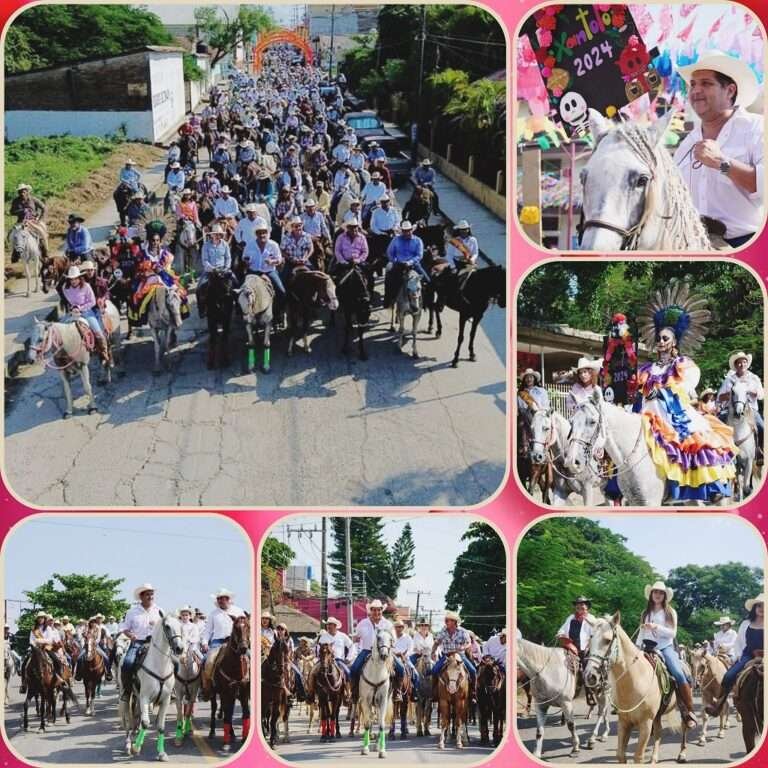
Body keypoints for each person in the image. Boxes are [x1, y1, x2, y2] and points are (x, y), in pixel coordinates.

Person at [636, 282, 737, 502]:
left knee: (692, 440)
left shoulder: (683, 365)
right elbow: (641, 393)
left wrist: (661, 393)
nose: (661, 342)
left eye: (665, 339)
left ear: (674, 342)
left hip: (673, 413)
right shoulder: (647, 369)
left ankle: (705, 487)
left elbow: (684, 389)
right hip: (648, 413)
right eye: (659, 339)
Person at [675, 51, 763, 248]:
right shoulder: (687, 143)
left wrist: (722, 164)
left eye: (706, 83)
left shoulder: (756, 128)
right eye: (693, 84)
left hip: (746, 244)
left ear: (730, 91)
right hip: (694, 244)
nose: (696, 90)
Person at [636, 580, 697, 728]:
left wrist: (656, 626)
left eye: (660, 593)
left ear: (664, 596)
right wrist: (637, 647)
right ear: (651, 594)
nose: (657, 595)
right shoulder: (645, 612)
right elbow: (641, 632)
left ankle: (688, 710)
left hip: (665, 647)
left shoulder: (670, 612)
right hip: (646, 647)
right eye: (655, 592)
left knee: (678, 673)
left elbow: (672, 633)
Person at [706, 593, 763, 715]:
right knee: (728, 676)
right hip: (748, 655)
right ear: (754, 608)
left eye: (764, 605)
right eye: (759, 605)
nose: (761, 608)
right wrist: (740, 658)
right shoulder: (746, 623)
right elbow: (739, 643)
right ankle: (719, 704)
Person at [116, 583, 164, 701]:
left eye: (152, 594)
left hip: (156, 644)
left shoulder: (159, 611)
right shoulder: (132, 612)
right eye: (148, 594)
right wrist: (130, 635)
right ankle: (126, 692)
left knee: (173, 663)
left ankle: (170, 691)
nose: (150, 596)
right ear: (141, 596)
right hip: (138, 643)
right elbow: (124, 628)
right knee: (127, 663)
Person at [349, 600, 404, 700]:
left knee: (400, 668)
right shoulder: (363, 623)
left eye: (379, 610)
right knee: (353, 669)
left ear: (381, 611)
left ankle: (397, 692)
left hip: (385, 652)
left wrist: (389, 646)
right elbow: (356, 637)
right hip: (367, 651)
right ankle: (354, 693)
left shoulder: (388, 624)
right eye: (374, 610)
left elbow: (394, 639)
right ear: (370, 611)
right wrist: (354, 638)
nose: (376, 612)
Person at [200, 588, 246, 701]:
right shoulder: (213, 614)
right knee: (208, 661)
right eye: (219, 598)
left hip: (235, 643)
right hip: (217, 642)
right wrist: (205, 643)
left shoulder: (238, 611)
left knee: (249, 658)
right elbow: (207, 631)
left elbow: (245, 627)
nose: (222, 600)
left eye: (224, 598)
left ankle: (246, 685)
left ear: (229, 599)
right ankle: (207, 688)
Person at [61, 265, 110, 364]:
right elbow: (69, 301)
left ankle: (104, 352)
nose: (73, 281)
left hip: (87, 311)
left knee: (98, 332)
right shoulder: (65, 288)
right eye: (71, 279)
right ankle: (64, 354)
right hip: (73, 312)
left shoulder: (86, 286)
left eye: (75, 279)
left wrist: (80, 308)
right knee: (60, 328)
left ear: (79, 278)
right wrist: (73, 308)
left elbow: (92, 302)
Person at [717, 351, 764, 450]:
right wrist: (729, 395)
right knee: (717, 426)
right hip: (730, 409)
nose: (742, 364)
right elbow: (719, 398)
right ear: (735, 365)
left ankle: (760, 451)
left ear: (747, 364)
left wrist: (750, 391)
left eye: (744, 362)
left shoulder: (754, 378)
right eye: (739, 362)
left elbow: (761, 395)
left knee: (762, 427)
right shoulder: (729, 380)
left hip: (750, 410)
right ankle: (719, 451)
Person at [305, 616, 353, 703]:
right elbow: (318, 649)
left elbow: (351, 646)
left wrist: (349, 658)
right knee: (312, 672)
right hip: (324, 660)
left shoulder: (342, 636)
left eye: (330, 624)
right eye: (327, 624)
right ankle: (310, 693)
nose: (328, 626)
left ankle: (347, 694)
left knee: (347, 672)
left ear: (335, 625)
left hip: (338, 660)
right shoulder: (323, 636)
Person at [431, 611, 476, 700]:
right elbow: (436, 642)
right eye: (446, 620)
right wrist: (433, 651)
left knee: (473, 670)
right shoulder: (443, 631)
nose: (446, 622)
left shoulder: (462, 631)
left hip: (460, 655)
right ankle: (434, 692)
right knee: (434, 670)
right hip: (446, 656)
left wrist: (463, 647)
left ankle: (473, 692)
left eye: (448, 620)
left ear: (454, 622)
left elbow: (469, 642)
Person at [383, 221, 428, 308]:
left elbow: (419, 255)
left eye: (408, 230)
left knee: (427, 281)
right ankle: (388, 300)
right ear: (402, 231)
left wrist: (410, 262)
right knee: (389, 281)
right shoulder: (396, 239)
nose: (407, 232)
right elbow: (389, 252)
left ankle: (425, 303)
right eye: (404, 231)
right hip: (399, 264)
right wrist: (395, 261)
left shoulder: (418, 240)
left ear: (412, 230)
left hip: (414, 265)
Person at [197, 224, 232, 318]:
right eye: (215, 234)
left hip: (223, 269)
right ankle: (202, 309)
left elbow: (228, 258)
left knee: (235, 283)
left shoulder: (225, 244)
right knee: (199, 288)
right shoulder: (206, 246)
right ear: (211, 235)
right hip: (210, 271)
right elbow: (205, 260)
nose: (217, 235)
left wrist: (226, 268)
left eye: (219, 234)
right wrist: (212, 269)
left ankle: (237, 307)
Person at [10, 183, 49, 259]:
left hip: (33, 221)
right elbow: (11, 212)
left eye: (24, 192)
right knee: (13, 234)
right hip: (21, 221)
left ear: (27, 192)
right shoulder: (15, 201)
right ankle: (15, 253)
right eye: (20, 192)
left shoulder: (33, 199)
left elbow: (44, 208)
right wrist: (21, 211)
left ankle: (45, 252)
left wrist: (40, 219)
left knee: (42, 233)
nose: (22, 193)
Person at [557, 597, 596, 670]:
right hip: (569, 647)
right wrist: (560, 634)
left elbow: (594, 635)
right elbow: (561, 630)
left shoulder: (591, 618)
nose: (579, 606)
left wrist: (589, 646)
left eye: (582, 604)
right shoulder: (571, 617)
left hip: (584, 650)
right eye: (577, 605)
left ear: (587, 606)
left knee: (587, 668)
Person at [74, 617, 113, 681]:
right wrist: (86, 638)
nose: (93, 623)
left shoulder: (98, 628)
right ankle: (78, 674)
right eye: (91, 622)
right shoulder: (86, 628)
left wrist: (94, 642)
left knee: (106, 657)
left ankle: (108, 672)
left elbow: (98, 638)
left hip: (95, 646)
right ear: (90, 623)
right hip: (86, 646)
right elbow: (83, 636)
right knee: (79, 658)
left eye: (94, 622)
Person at [393, 619, 421, 692]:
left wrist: (404, 655)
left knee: (416, 675)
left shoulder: (408, 638)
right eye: (397, 627)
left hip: (405, 658)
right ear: (395, 628)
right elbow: (389, 648)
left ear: (403, 628)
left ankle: (414, 693)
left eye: (400, 627)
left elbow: (410, 649)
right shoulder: (392, 638)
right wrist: (395, 653)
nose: (399, 629)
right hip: (393, 658)